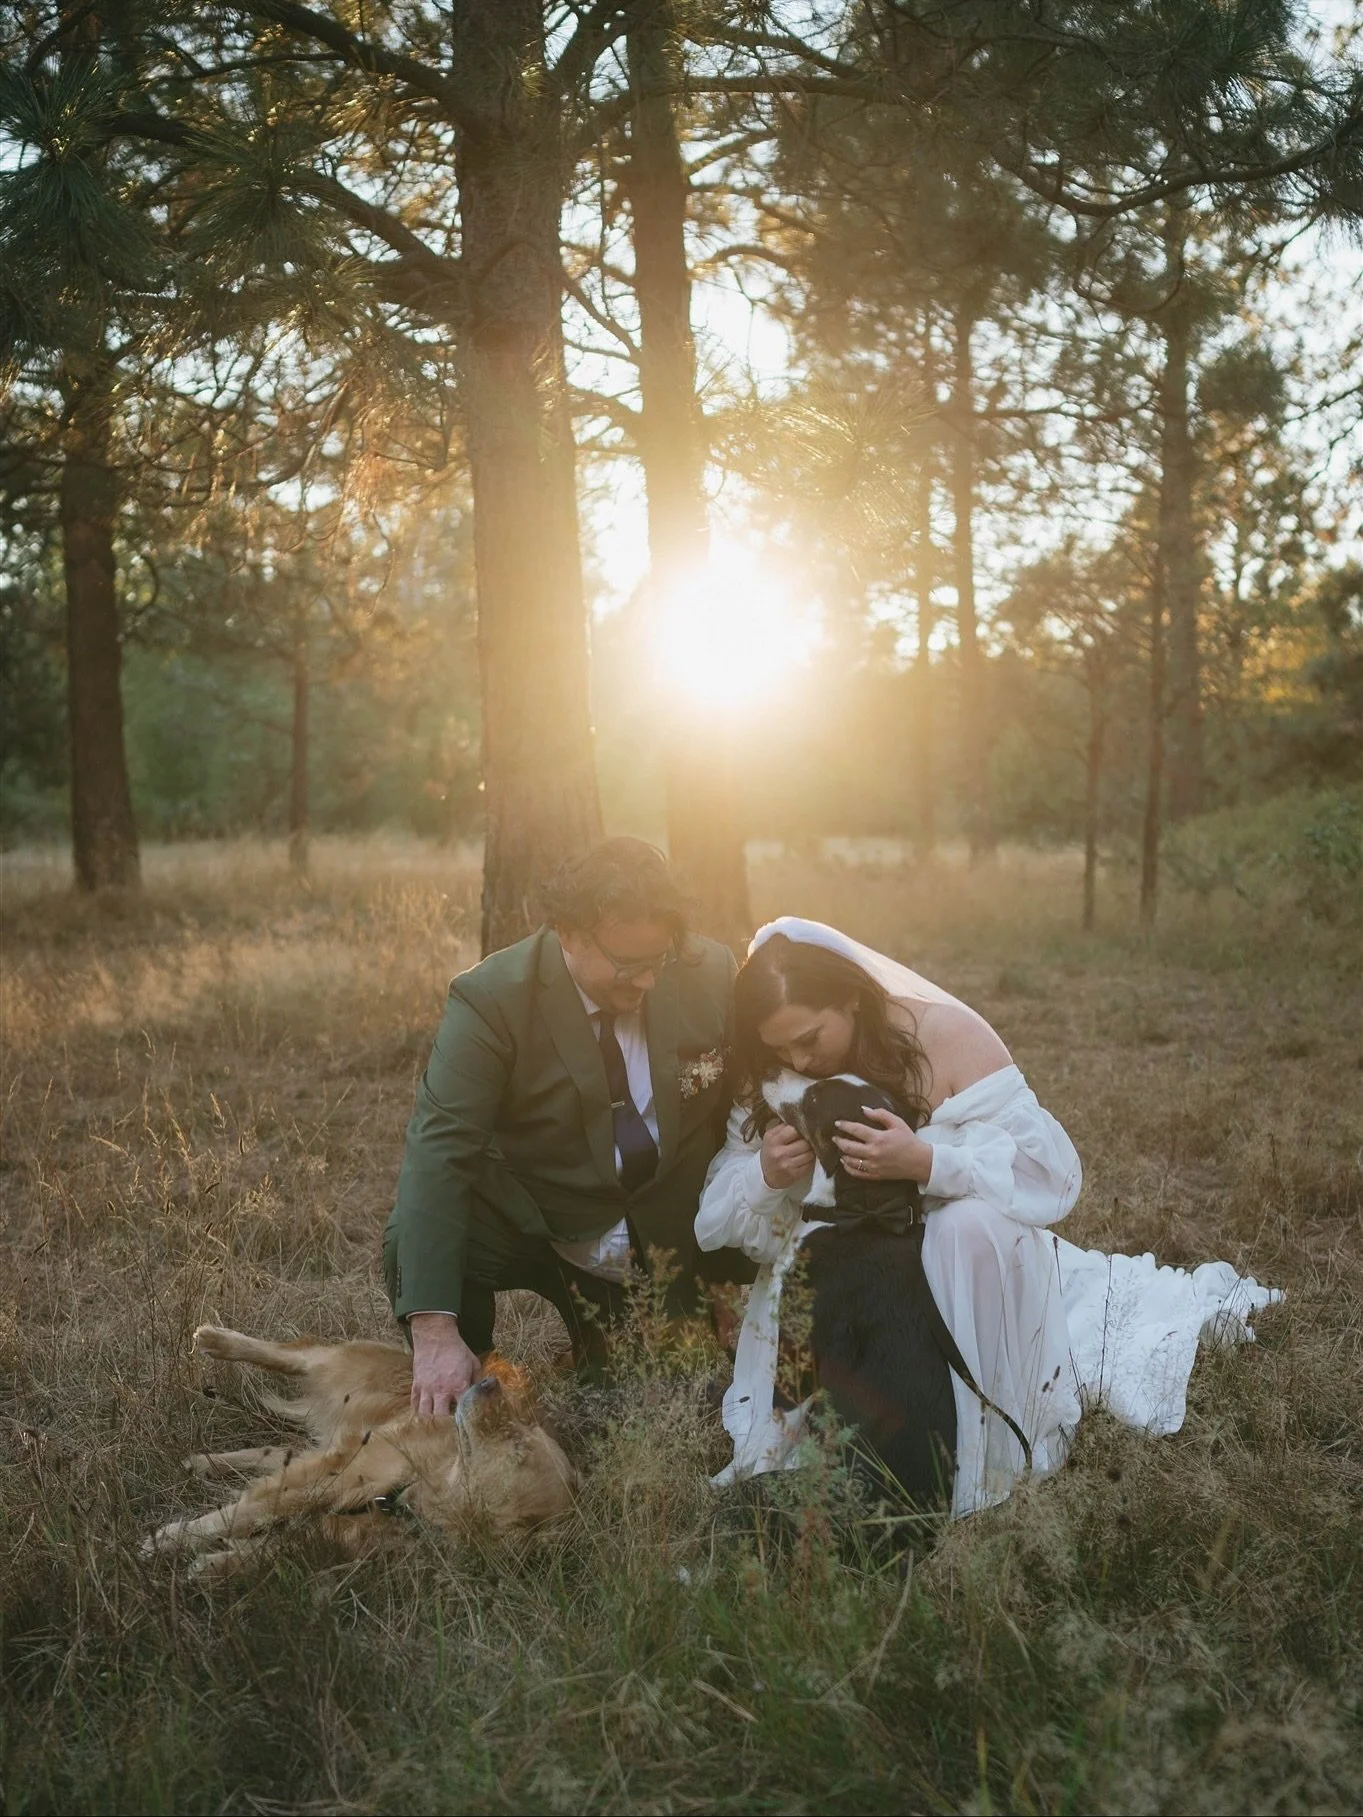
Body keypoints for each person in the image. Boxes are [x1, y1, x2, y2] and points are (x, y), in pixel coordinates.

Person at [696, 917, 1280, 1517]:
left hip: (966, 1264)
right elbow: (712, 1223)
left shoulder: (942, 1037)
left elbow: (1049, 1173)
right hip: (843, 1288)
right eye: (780, 1047)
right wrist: (764, 1175)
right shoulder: (774, 1080)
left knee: (962, 1228)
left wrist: (926, 1162)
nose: (798, 1058)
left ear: (850, 996)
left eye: (810, 1038)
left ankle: (977, 1454)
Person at [384, 838, 752, 1415]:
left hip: (666, 1243)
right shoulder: (492, 1000)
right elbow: (440, 1152)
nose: (647, 983)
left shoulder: (711, 973)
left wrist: (723, 1281)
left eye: (657, 962)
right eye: (628, 966)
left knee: (639, 1402)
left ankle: (617, 1346)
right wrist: (433, 1332)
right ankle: (470, 1388)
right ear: (569, 933)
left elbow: (748, 1109)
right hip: (545, 1226)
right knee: (411, 1235)